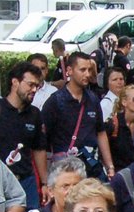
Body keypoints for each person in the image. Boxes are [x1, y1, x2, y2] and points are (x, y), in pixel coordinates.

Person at [0, 62, 50, 211]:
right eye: (30, 84)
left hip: (25, 181)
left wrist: (45, 183)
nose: (34, 90)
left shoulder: (35, 114)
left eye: (37, 86)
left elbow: (39, 149)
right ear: (15, 82)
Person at [43, 51, 115, 180]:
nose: (87, 74)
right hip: (66, 170)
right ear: (69, 70)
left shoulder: (93, 99)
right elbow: (43, 140)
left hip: (91, 167)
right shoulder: (55, 101)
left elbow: (101, 132)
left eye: (89, 70)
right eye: (82, 70)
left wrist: (110, 166)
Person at [106, 85, 134, 175]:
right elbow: (103, 150)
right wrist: (110, 169)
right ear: (124, 102)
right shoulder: (113, 124)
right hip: (119, 174)